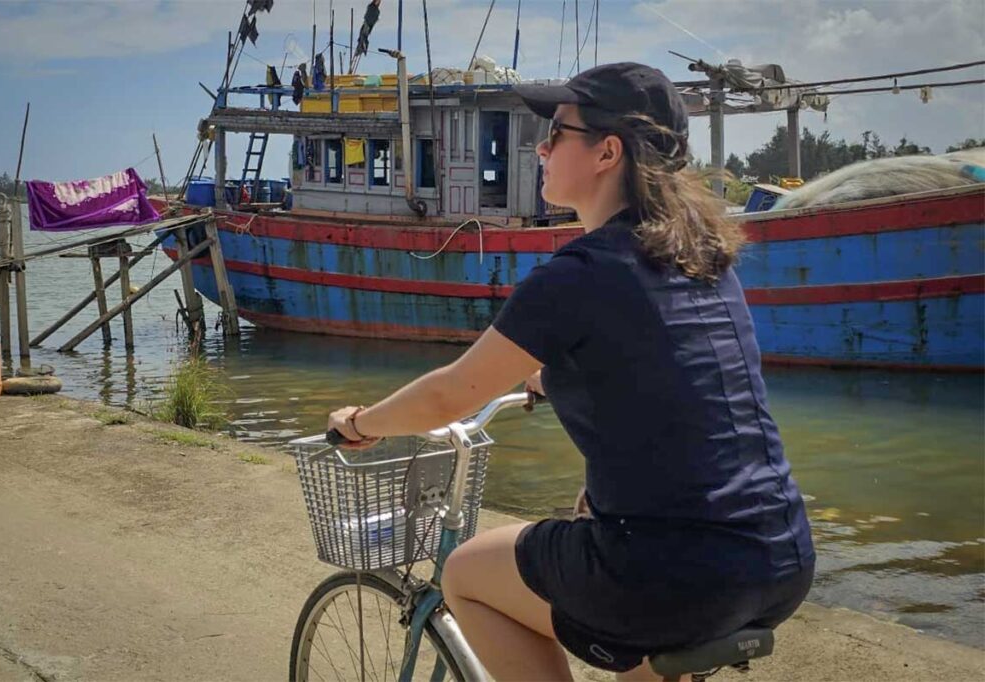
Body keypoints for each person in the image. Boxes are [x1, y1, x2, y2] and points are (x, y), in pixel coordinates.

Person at [327, 62, 815, 682]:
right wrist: (550, 375)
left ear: (607, 151)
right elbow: (672, 377)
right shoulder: (705, 261)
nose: (542, 145)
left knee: (466, 575)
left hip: (671, 571)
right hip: (779, 557)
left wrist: (362, 423)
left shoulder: (579, 275)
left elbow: (450, 393)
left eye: (557, 131)